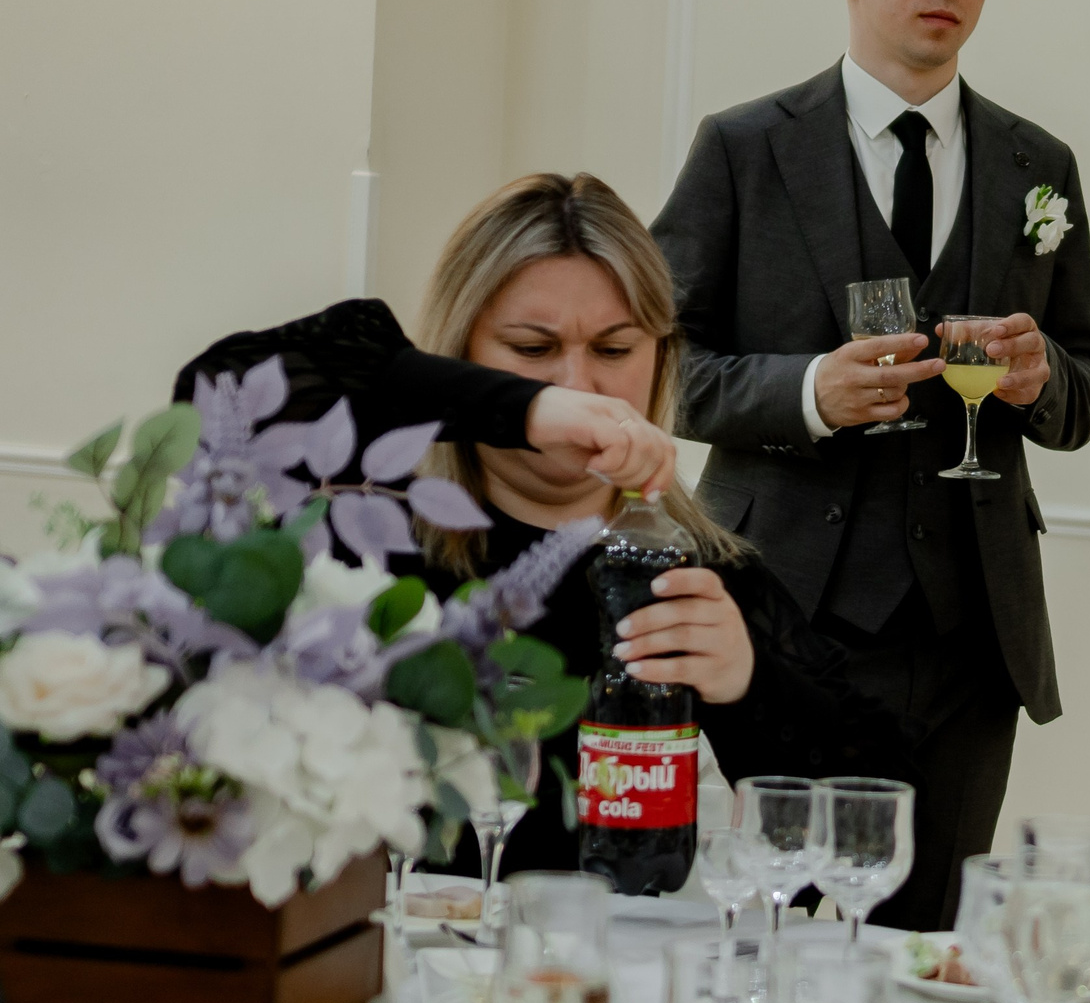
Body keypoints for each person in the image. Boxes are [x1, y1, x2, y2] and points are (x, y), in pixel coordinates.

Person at [176, 172, 910, 876]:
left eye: (615, 350)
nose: (578, 384)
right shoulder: (372, 515)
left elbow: (878, 825)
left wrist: (751, 683)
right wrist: (528, 411)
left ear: (661, 361)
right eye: (532, 349)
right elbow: (215, 389)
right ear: (463, 350)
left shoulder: (688, 571)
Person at [656, 0, 1090, 931]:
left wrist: (1034, 376)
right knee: (771, 930)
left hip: (972, 637)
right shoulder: (744, 148)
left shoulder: (1036, 167)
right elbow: (656, 367)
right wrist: (809, 394)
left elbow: (1086, 390)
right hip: (778, 619)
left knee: (926, 942)